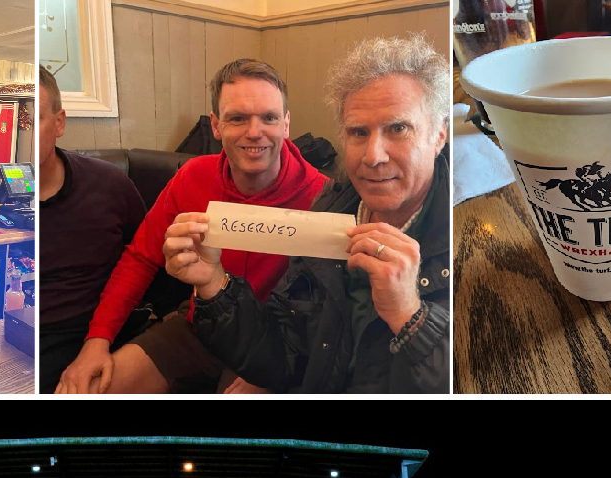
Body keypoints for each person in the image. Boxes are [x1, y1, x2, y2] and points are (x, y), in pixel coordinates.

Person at [165, 34, 450, 393]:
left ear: (439, 133)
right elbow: (286, 356)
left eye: (398, 128)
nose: (374, 155)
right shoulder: (327, 210)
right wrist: (212, 283)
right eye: (358, 132)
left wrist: (412, 320)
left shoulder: (465, 228)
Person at [55, 59, 329, 394]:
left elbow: (327, 312)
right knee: (98, 387)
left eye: (269, 117)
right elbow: (140, 258)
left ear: (286, 124)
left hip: (275, 341)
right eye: (238, 118)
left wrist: (273, 372)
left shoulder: (322, 196)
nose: (254, 132)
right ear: (216, 125)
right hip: (199, 325)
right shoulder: (193, 176)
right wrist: (97, 340)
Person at [38, 66, 146, 393]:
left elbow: (146, 263)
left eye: (34, 119)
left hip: (101, 333)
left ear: (59, 123)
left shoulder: (110, 185)